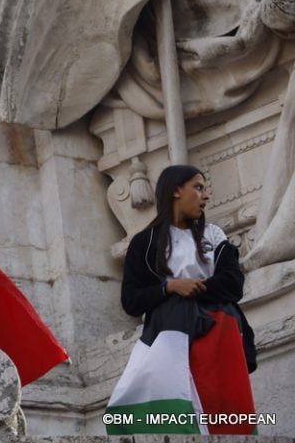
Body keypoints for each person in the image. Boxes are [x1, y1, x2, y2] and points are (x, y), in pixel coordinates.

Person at [107, 164, 256, 434]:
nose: (205, 196)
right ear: (176, 190)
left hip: (220, 330)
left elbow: (233, 283)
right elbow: (131, 300)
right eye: (198, 187)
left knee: (227, 414)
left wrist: (194, 288)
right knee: (184, 414)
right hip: (172, 336)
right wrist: (170, 287)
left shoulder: (213, 235)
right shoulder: (145, 242)